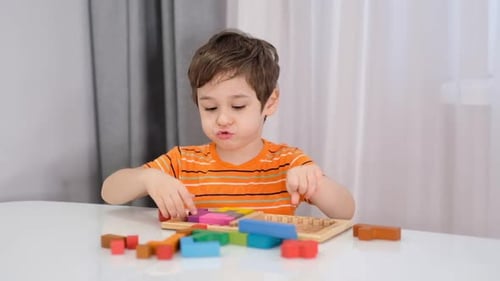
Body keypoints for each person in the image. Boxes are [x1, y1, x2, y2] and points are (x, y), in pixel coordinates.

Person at [101, 29, 355, 220]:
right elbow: (109, 193)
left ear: (270, 101)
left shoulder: (287, 162)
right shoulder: (184, 162)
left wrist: (315, 183)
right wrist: (148, 178)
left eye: (237, 106)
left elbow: (345, 211)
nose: (222, 118)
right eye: (210, 107)